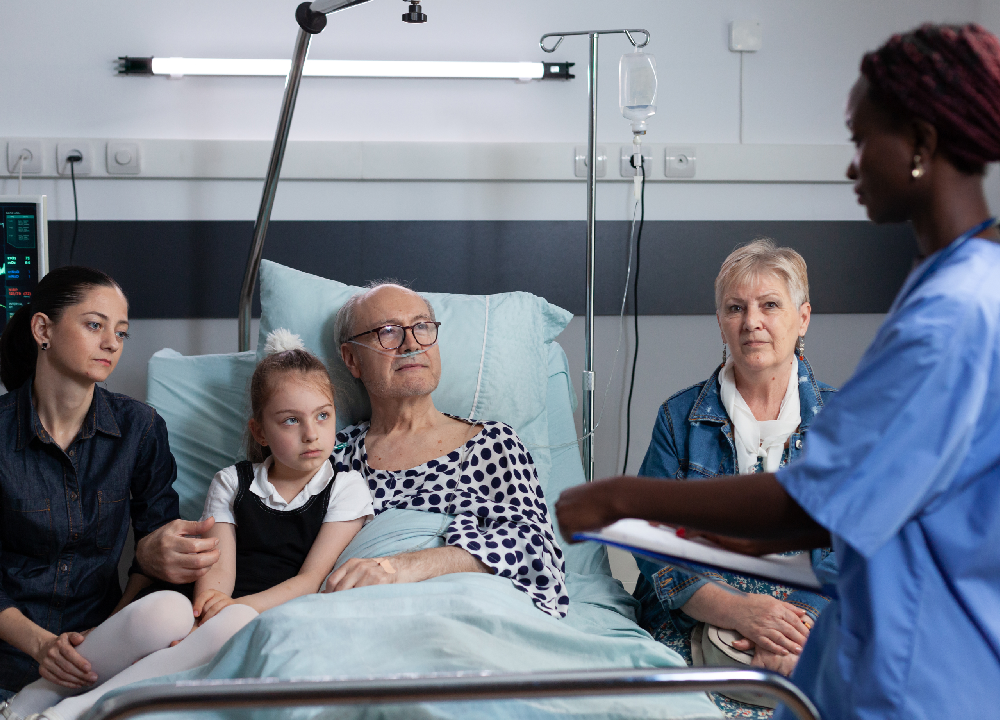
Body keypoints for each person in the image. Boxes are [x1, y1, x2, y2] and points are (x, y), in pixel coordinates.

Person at [555, 23, 1000, 720]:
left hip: (920, 672)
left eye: (861, 140)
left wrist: (618, 499)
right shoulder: (963, 282)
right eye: (736, 307)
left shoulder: (953, 315)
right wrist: (729, 548)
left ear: (921, 142)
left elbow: (810, 504)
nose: (852, 167)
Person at [3, 330, 374, 720]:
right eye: (290, 421)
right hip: (213, 602)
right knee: (165, 609)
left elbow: (310, 579)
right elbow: (218, 571)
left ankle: (84, 709)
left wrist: (232, 609)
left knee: (237, 622)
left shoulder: (344, 488)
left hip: (264, 610)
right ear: (260, 431)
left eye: (322, 415)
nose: (311, 433)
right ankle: (30, 699)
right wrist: (203, 612)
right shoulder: (233, 482)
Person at [634, 239, 836, 718]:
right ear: (721, 322)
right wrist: (738, 612)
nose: (752, 323)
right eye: (736, 308)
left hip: (812, 614)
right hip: (703, 611)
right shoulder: (678, 417)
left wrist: (795, 629)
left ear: (802, 317)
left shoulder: (847, 421)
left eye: (770, 305)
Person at [0, 268, 220, 702]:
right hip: (10, 652)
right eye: (94, 325)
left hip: (99, 650)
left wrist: (108, 630)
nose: (111, 343)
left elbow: (153, 556)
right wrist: (42, 645)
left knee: (183, 617)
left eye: (121, 332)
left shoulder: (139, 428)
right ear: (43, 328)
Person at [325, 282, 568, 617]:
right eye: (389, 332)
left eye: (422, 327)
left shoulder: (492, 445)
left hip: (466, 611)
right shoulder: (334, 458)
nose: (411, 344)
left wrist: (403, 568)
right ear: (352, 360)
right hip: (361, 615)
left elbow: (537, 553)